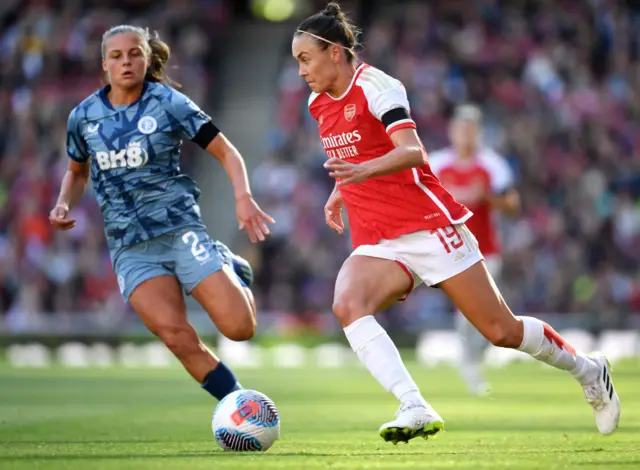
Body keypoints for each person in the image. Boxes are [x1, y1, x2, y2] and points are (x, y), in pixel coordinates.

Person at [292, 2, 620, 444]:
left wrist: (362, 172)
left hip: (428, 226)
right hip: (378, 236)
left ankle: (590, 370)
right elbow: (355, 156)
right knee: (348, 304)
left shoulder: (378, 86)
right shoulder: (317, 103)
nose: (300, 71)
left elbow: (412, 152)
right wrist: (340, 191)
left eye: (305, 58)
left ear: (335, 52)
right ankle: (413, 403)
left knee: (502, 331)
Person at [50, 25, 274, 402]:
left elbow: (226, 151)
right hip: (130, 247)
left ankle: (226, 263)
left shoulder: (168, 103)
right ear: (104, 64)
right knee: (175, 334)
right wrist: (63, 202)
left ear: (147, 58)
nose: (126, 62)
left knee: (239, 329)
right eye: (117, 56)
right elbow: (76, 172)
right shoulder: (83, 117)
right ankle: (238, 404)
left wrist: (243, 197)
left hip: (179, 230)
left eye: (134, 53)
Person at [429, 105, 520, 396]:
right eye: (461, 129)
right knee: (466, 312)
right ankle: (469, 366)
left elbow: (513, 205)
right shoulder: (436, 163)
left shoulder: (492, 165)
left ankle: (473, 358)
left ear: (478, 133)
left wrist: (486, 198)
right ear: (452, 132)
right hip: (448, 251)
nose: (466, 135)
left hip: (485, 250)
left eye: (471, 129)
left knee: (488, 313)